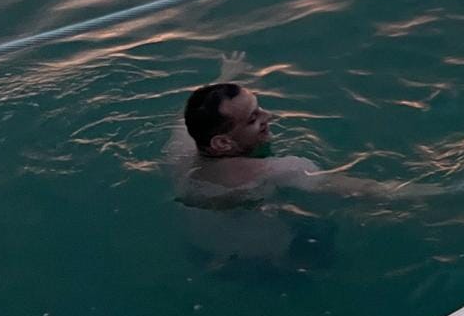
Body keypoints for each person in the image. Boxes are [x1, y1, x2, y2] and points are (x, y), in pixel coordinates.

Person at [173, 53, 419, 206]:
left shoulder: (181, 148)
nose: (269, 116)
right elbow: (368, 191)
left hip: (203, 249)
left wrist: (226, 75)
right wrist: (447, 190)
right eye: (253, 118)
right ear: (222, 143)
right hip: (263, 256)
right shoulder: (275, 170)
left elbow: (195, 108)